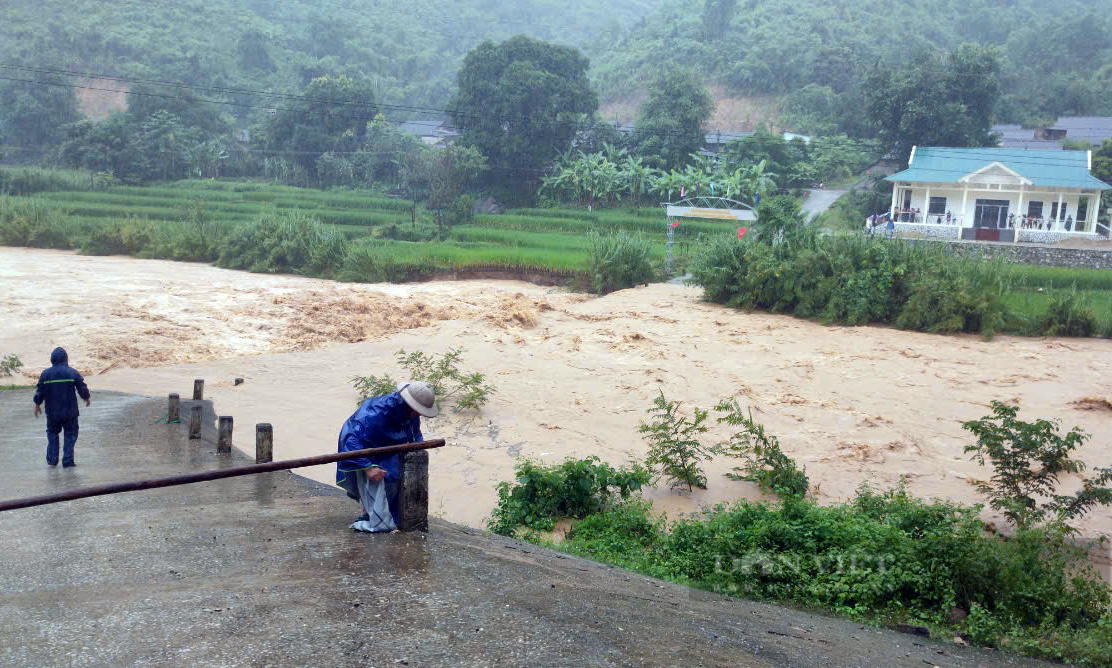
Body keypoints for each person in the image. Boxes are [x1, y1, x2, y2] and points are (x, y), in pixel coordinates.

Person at [336, 381, 438, 533]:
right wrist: (367, 467)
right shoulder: (375, 413)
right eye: (418, 411)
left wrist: (419, 446)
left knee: (396, 478)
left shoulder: (409, 413)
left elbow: (415, 432)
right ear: (410, 405)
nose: (419, 414)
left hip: (389, 447)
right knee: (377, 480)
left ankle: (386, 514)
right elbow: (352, 439)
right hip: (364, 448)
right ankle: (369, 516)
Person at [32, 347, 90, 468]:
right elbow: (82, 387)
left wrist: (37, 404)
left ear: (52, 359)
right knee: (70, 434)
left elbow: (40, 391)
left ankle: (52, 459)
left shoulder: (45, 374)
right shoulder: (72, 372)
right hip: (70, 412)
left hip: (52, 412)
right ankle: (68, 461)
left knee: (52, 433)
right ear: (66, 359)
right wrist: (86, 397)